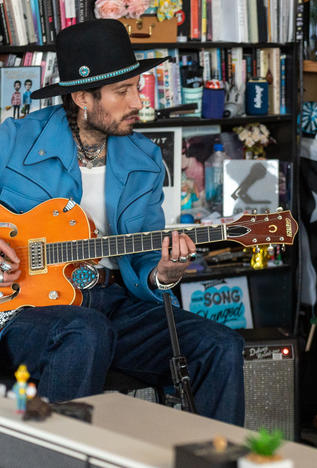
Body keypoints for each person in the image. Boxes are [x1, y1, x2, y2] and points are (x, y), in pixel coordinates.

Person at [0, 20, 244, 425]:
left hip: (113, 303)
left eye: (137, 86)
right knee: (85, 332)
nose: (138, 101)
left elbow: (146, 257)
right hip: (22, 309)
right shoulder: (13, 140)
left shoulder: (144, 159)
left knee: (219, 345)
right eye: (123, 91)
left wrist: (164, 273)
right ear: (82, 96)